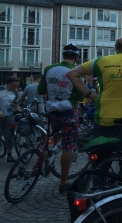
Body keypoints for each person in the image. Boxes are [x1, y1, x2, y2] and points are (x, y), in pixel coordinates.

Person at [37, 44, 85, 193]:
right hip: (68, 111)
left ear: (62, 55)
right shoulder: (76, 72)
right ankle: (63, 182)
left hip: (52, 109)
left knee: (52, 136)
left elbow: (40, 90)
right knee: (67, 146)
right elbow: (81, 95)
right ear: (76, 57)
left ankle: (43, 158)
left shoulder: (48, 69)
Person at [0, 77, 21, 162]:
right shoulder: (0, 89)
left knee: (10, 135)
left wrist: (19, 112)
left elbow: (16, 104)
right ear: (8, 83)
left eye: (17, 86)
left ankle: (9, 155)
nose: (15, 87)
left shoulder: (15, 92)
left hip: (9, 116)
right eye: (14, 85)